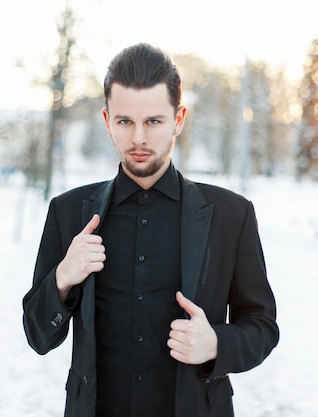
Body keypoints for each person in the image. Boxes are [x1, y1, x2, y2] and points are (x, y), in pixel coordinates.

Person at [22, 43, 279, 417]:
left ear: (178, 119)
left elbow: (262, 327)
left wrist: (216, 344)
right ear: (108, 120)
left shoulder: (231, 215)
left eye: (154, 121)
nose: (139, 138)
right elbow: (38, 335)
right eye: (125, 121)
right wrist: (63, 277)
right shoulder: (68, 213)